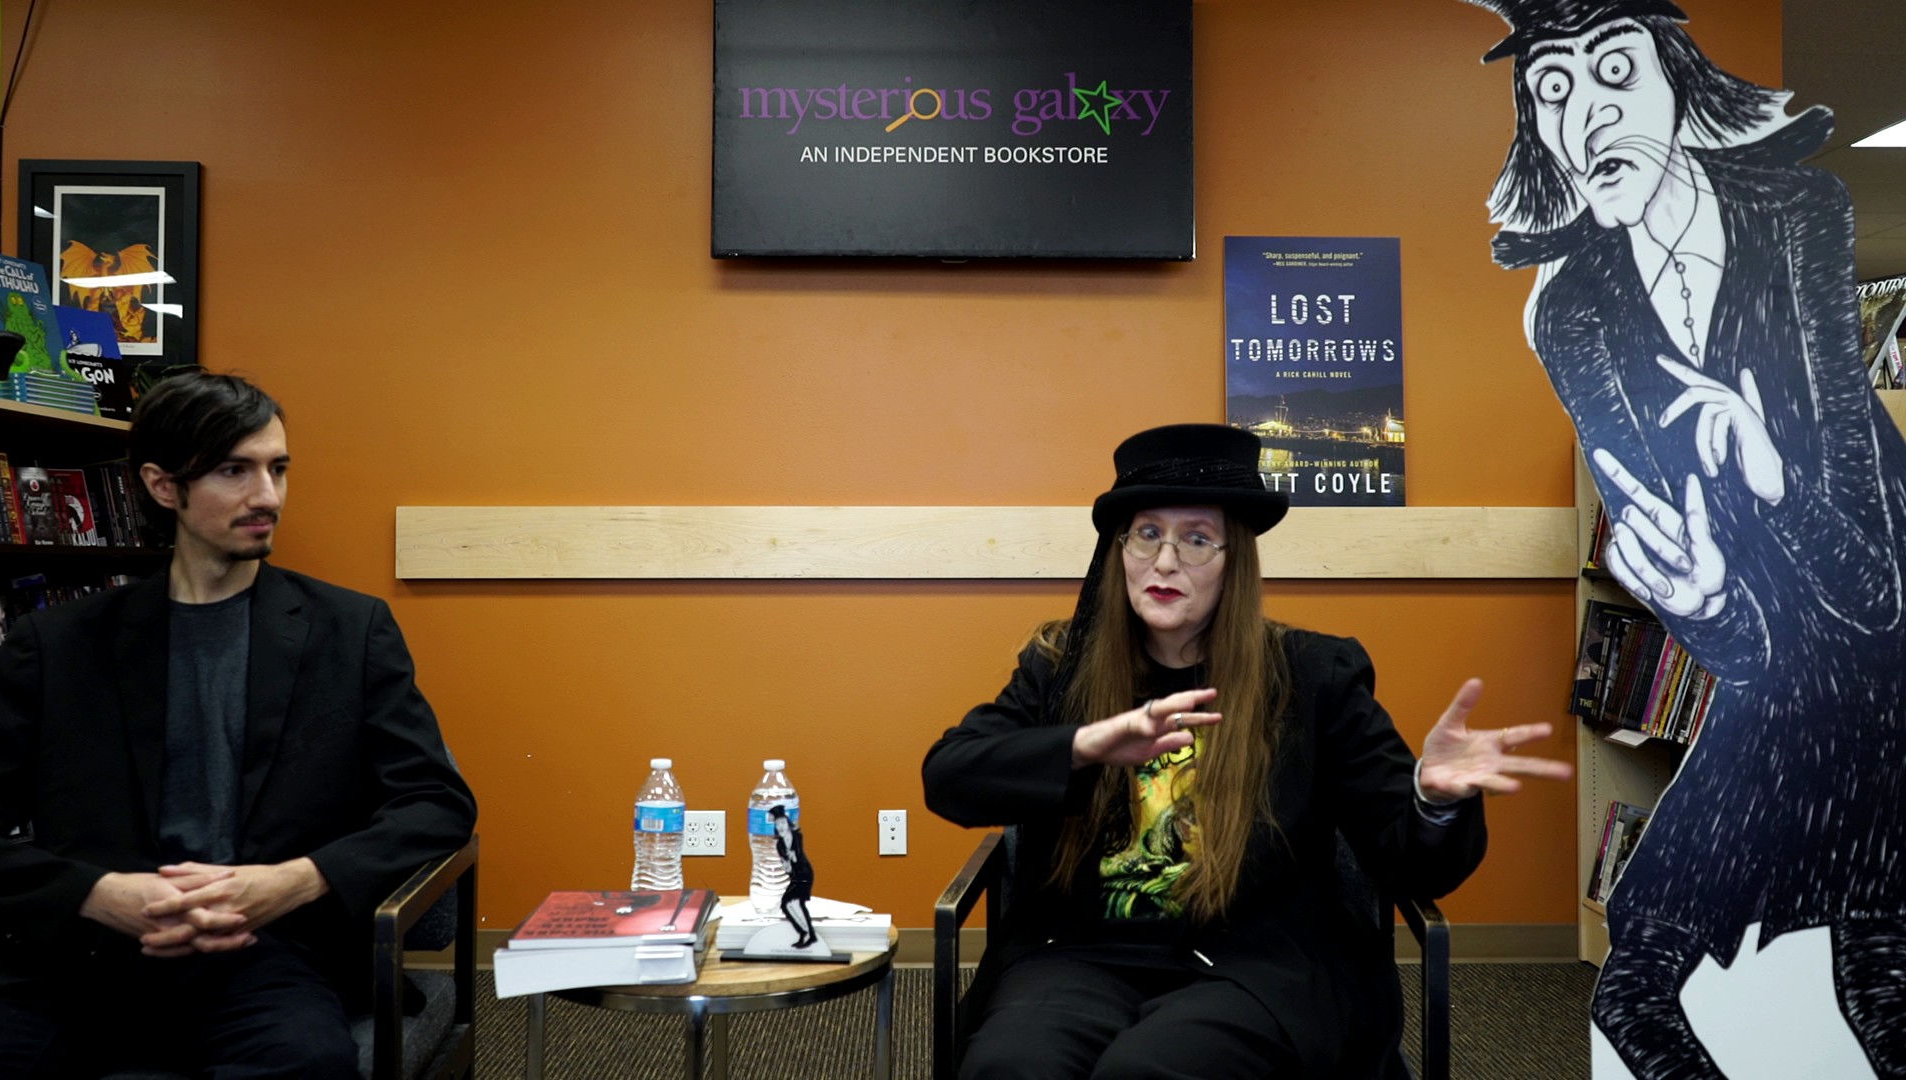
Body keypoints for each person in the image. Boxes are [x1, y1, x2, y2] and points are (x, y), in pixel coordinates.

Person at [1469, 1, 1906, 1073]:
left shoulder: (1796, 214)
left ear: (1677, 81)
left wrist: (1777, 482)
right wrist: (1703, 605)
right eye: (1555, 88)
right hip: (1782, 665)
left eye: (1616, 70)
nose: (1587, 113)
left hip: (1881, 629)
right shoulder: (1571, 312)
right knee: (1639, 987)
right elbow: (1740, 651)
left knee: (1877, 966)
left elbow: (1873, 585)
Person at [922, 423, 1569, 1079]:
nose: (1165, 561)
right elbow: (948, 778)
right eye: (1147, 534)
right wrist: (1082, 746)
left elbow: (1409, 865)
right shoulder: (1059, 667)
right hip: (1080, 952)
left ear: (1236, 560)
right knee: (1013, 1066)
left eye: (1197, 539)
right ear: (1118, 549)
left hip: (1255, 963)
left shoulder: (1315, 675)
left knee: (1148, 1072)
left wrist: (1432, 798)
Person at [0, 371, 477, 1079]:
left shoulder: (349, 630)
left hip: (267, 952)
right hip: (84, 954)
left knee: (304, 1065)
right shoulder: (55, 646)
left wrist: (295, 882)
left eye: (278, 469)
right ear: (163, 487)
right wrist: (98, 895)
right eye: (233, 471)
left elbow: (436, 803)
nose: (267, 495)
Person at [771, 804, 817, 949]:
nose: (780, 826)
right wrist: (786, 866)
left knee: (795, 903)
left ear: (788, 824)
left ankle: (808, 934)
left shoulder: (797, 837)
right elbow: (788, 867)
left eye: (783, 823)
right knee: (786, 904)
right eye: (777, 824)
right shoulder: (779, 844)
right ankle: (805, 933)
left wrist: (793, 858)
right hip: (795, 876)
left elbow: (798, 856)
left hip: (805, 874)